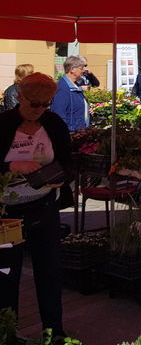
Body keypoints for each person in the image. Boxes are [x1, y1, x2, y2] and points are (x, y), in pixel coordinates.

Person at [0, 73, 73, 339]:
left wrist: (61, 178)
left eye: (45, 104)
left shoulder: (53, 124)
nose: (39, 110)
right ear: (20, 97)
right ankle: (6, 335)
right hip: (7, 214)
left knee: (50, 273)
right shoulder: (4, 124)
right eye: (34, 103)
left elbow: (68, 161)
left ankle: (54, 334)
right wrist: (11, 166)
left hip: (45, 207)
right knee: (6, 276)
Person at [51, 55, 90, 133]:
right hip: (70, 132)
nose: (83, 71)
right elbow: (59, 114)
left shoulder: (74, 85)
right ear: (72, 69)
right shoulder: (62, 88)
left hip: (79, 130)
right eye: (81, 68)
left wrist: (87, 109)